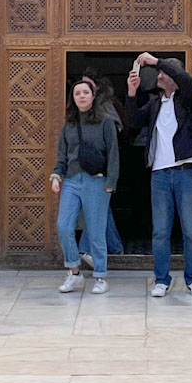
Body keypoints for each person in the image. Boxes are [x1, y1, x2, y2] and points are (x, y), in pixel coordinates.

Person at [126, 52, 192, 298]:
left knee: (190, 229)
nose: (159, 75)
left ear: (174, 76)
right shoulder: (156, 103)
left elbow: (185, 80)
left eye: (163, 73)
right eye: (159, 72)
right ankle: (161, 279)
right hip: (160, 175)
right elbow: (133, 121)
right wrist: (132, 92)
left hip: (187, 172)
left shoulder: (188, 100)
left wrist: (156, 60)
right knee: (160, 231)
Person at [50, 78, 119, 294]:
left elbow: (113, 154)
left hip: (97, 181)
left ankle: (100, 276)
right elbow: (62, 154)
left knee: (96, 231)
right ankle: (74, 272)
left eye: (85, 92)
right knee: (64, 225)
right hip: (71, 180)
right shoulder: (69, 124)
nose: (81, 96)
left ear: (93, 95)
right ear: (73, 98)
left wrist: (111, 182)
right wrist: (56, 175)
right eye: (77, 93)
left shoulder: (105, 122)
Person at [77, 69, 124, 266]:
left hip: (101, 163)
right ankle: (115, 246)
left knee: (94, 206)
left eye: (87, 86)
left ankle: (85, 249)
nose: (82, 91)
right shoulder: (80, 108)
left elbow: (116, 128)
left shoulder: (104, 107)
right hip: (84, 164)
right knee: (100, 206)